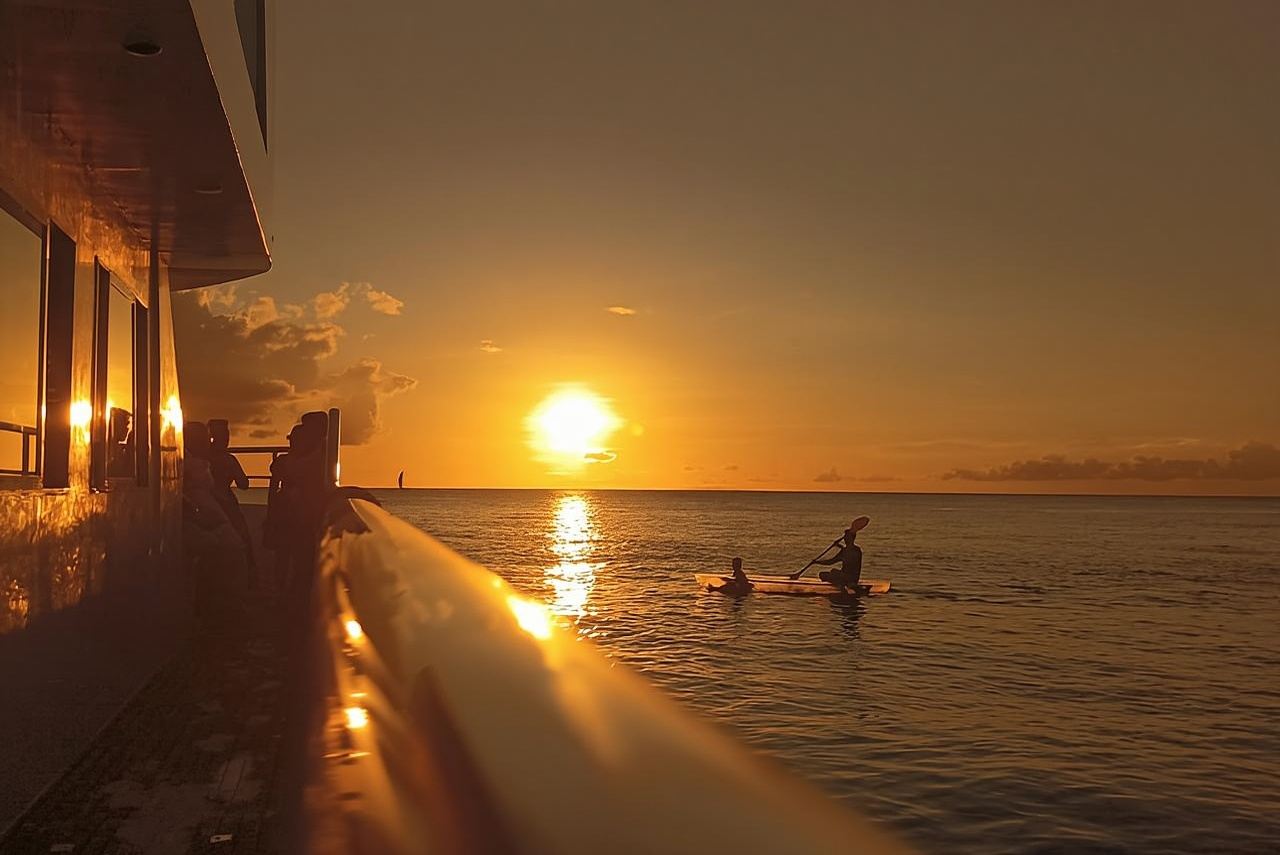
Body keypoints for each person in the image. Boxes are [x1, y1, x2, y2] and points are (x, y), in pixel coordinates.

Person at [207, 419, 256, 578]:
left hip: (207, 501)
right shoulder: (229, 460)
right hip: (226, 502)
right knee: (243, 536)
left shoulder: (204, 458)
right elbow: (244, 483)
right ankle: (248, 574)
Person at [814, 516, 869, 590]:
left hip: (850, 578)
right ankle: (845, 584)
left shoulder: (850, 551)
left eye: (846, 538)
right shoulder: (855, 550)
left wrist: (817, 562)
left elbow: (831, 562)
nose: (845, 539)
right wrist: (817, 562)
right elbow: (833, 560)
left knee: (829, 573)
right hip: (851, 578)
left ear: (850, 538)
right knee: (827, 573)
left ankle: (843, 586)